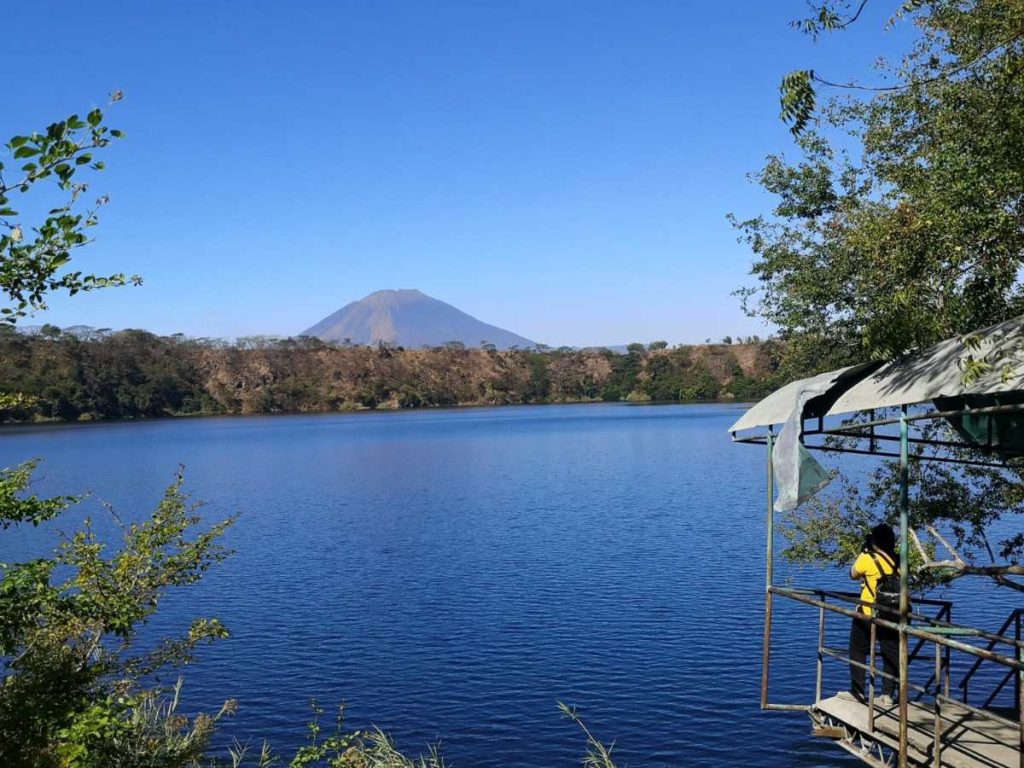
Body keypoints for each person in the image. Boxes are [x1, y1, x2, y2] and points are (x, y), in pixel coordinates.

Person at [846, 523, 899, 706]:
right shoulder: (899, 559)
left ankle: (858, 690)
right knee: (890, 653)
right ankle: (887, 694)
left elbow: (852, 574)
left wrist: (864, 551)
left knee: (858, 650)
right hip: (893, 614)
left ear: (874, 540)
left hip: (869, 613)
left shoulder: (867, 558)